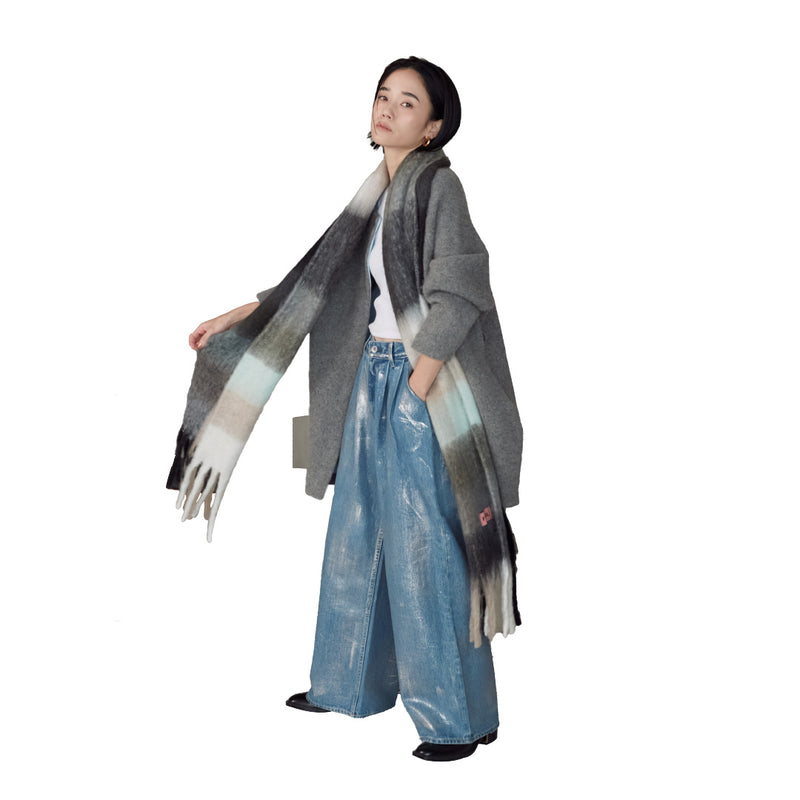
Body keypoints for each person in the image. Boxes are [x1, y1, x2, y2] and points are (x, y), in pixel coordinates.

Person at [170, 56, 523, 762]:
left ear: (434, 126)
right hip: (365, 379)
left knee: (425, 547)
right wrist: (236, 317)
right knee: (356, 530)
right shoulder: (373, 194)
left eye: (408, 102)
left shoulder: (440, 188)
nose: (388, 108)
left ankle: (457, 718)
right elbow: (315, 281)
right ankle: (345, 684)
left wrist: (421, 379)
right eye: (383, 95)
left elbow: (462, 287)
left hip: (422, 388)